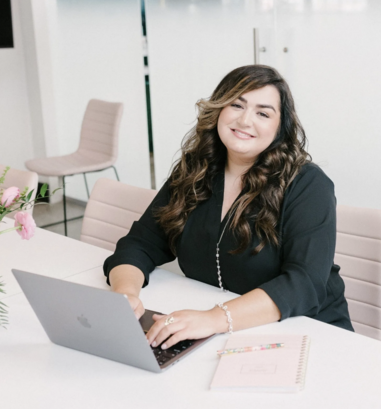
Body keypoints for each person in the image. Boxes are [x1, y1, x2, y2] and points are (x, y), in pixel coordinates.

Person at [103, 65, 354, 351]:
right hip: (225, 336)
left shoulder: (308, 184)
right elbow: (141, 243)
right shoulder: (195, 170)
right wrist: (125, 295)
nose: (245, 120)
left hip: (308, 335)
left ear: (279, 127)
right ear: (219, 110)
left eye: (263, 113)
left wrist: (214, 319)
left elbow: (304, 283)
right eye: (236, 105)